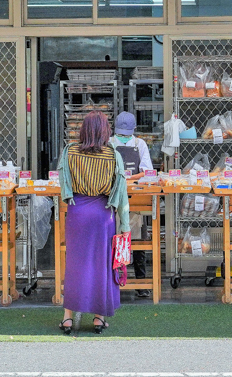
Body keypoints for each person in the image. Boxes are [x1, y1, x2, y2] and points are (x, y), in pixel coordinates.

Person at [57, 111, 130, 335]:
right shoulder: (113, 155)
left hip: (77, 213)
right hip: (103, 214)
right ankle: (99, 318)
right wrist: (125, 226)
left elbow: (63, 183)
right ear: (104, 131)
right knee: (102, 266)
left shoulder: (69, 152)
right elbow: (121, 194)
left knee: (75, 266)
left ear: (84, 130)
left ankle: (68, 318)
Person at [109, 111, 153, 298]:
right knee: (113, 239)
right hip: (114, 198)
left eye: (126, 133)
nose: (124, 137)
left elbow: (147, 171)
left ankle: (141, 282)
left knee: (137, 239)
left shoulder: (139, 144)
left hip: (135, 197)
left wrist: (126, 178)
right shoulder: (109, 143)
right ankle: (114, 280)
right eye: (122, 133)